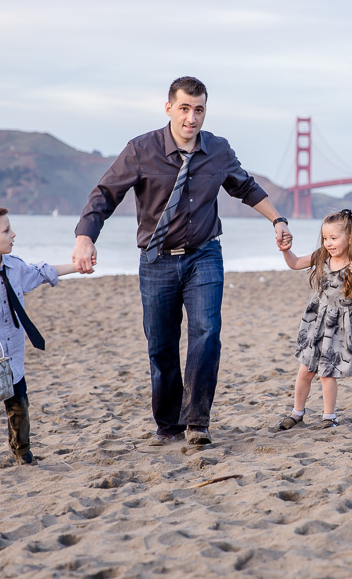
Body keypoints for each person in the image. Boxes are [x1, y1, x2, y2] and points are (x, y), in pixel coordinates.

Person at [72, 76, 292, 447]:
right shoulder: (141, 150)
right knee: (161, 346)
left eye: (200, 109)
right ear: (169, 108)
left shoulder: (218, 150)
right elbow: (104, 195)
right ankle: (168, 424)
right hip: (156, 259)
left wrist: (278, 219)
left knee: (206, 333)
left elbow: (245, 186)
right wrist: (84, 238)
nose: (192, 118)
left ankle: (197, 422)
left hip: (204, 254)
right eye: (185, 108)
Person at [0, 206, 86, 476]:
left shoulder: (14, 266)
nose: (13, 234)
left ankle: (22, 451)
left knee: (19, 406)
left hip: (11, 355)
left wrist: (78, 266)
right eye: (6, 230)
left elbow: (42, 272)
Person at [275, 209, 352, 431]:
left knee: (327, 373)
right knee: (305, 370)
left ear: (350, 238)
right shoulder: (323, 256)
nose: (328, 243)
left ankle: (330, 416)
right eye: (325, 238)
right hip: (316, 321)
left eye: (334, 238)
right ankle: (297, 413)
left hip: (339, 325)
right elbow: (295, 263)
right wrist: (285, 251)